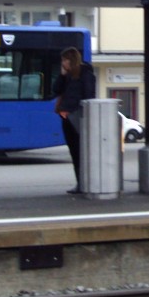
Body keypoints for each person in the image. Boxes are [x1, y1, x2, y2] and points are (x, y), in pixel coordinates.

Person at [53, 46, 96, 193]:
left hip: (77, 117)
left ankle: (84, 183)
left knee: (79, 151)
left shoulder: (85, 74)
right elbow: (56, 89)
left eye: (64, 60)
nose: (63, 63)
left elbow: (89, 96)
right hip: (66, 117)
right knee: (73, 151)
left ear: (71, 59)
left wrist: (76, 111)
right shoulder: (68, 76)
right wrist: (62, 75)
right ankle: (80, 182)